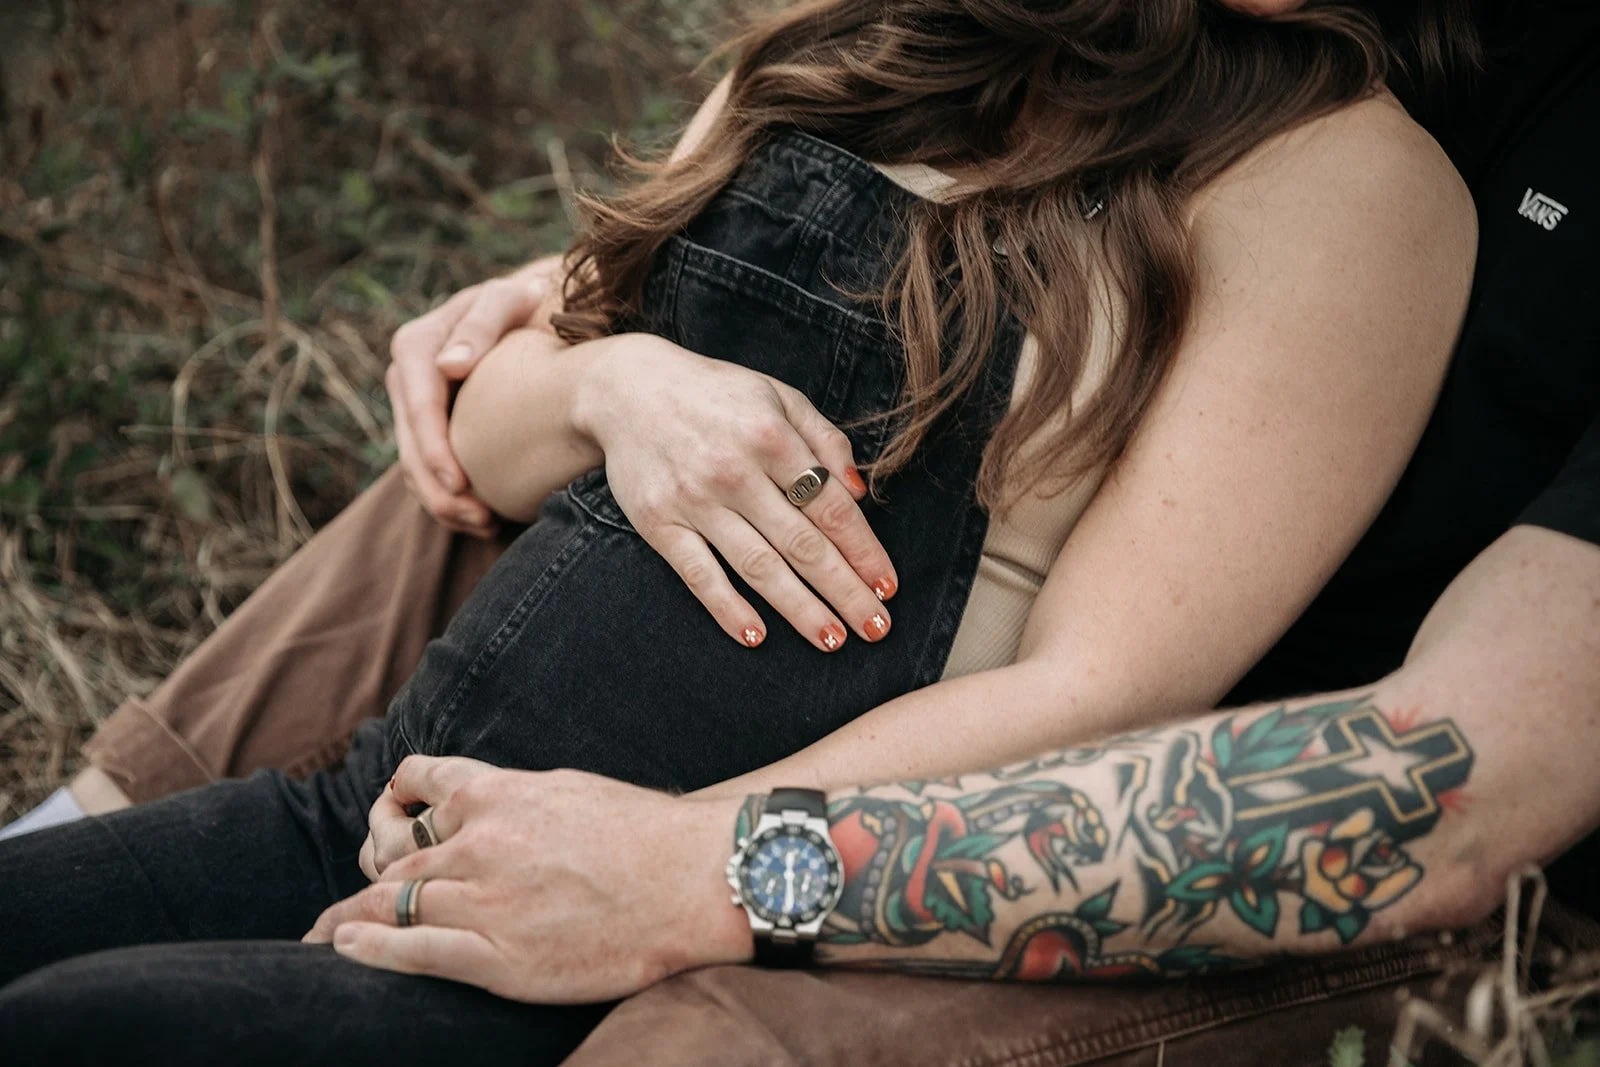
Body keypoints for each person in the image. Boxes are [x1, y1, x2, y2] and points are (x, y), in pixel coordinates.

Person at [0, 0, 1482, 1061]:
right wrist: (614, 383)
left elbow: (1104, 689)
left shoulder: (1346, 183)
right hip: (381, 808)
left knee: (76, 1031)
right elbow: (488, 445)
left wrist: (661, 862)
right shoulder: (855, 31)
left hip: (644, 918)